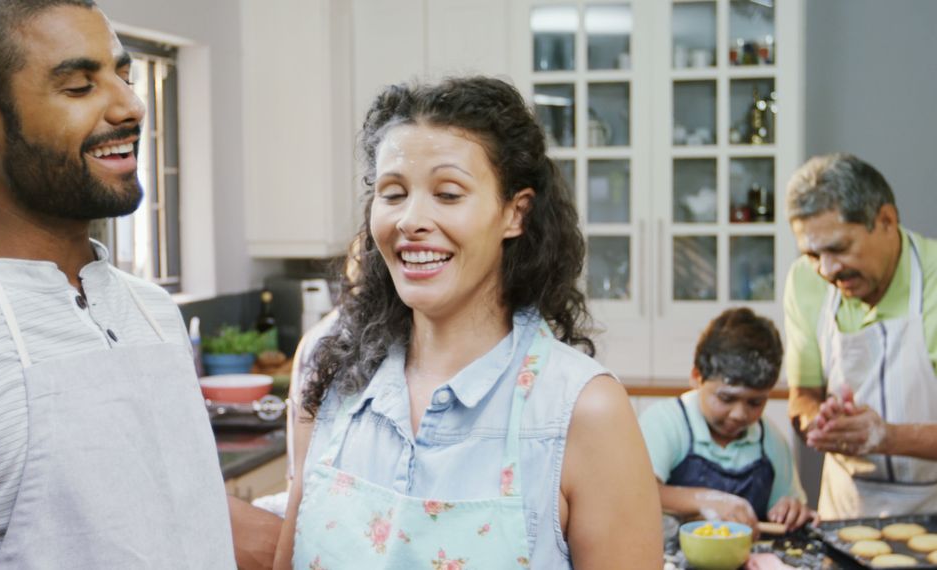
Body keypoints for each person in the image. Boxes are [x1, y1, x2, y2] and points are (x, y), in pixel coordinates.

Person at [0, 1, 278, 568]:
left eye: (124, 76)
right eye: (80, 87)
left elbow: (163, 512)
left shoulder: (151, 311)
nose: (131, 106)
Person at [274, 76, 662, 569]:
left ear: (515, 213)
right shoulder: (333, 378)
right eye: (393, 194)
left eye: (449, 193)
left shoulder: (583, 411)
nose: (411, 220)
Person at [784, 153, 937, 519]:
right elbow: (802, 397)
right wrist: (821, 423)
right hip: (845, 514)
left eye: (838, 248)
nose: (827, 269)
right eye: (812, 254)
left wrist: (886, 437)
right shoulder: (805, 282)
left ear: (886, 220)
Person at [639, 308, 815, 533]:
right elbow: (638, 491)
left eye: (755, 403)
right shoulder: (666, 423)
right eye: (726, 398)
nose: (739, 414)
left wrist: (792, 510)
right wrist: (707, 501)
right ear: (696, 377)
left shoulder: (771, 441)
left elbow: (787, 510)